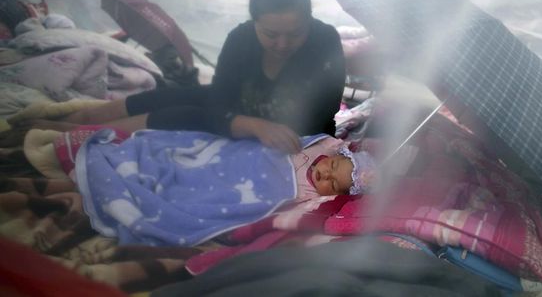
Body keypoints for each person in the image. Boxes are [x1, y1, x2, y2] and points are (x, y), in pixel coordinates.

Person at [56, 0, 346, 154]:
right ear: (254, 22)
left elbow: (322, 117)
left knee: (181, 115)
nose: (282, 44)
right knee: (166, 97)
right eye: (271, 34)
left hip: (268, 125)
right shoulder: (241, 39)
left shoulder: (325, 42)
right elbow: (221, 102)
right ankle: (61, 123)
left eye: (294, 34)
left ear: (309, 21)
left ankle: (71, 137)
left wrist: (259, 127)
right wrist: (254, 124)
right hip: (237, 111)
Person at [41, 127, 376, 246]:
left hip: (255, 191)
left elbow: (292, 210)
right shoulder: (311, 150)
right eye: (332, 167)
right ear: (331, 156)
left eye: (333, 183)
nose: (326, 176)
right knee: (184, 160)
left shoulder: (307, 196)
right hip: (238, 165)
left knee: (196, 198)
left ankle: (142, 198)